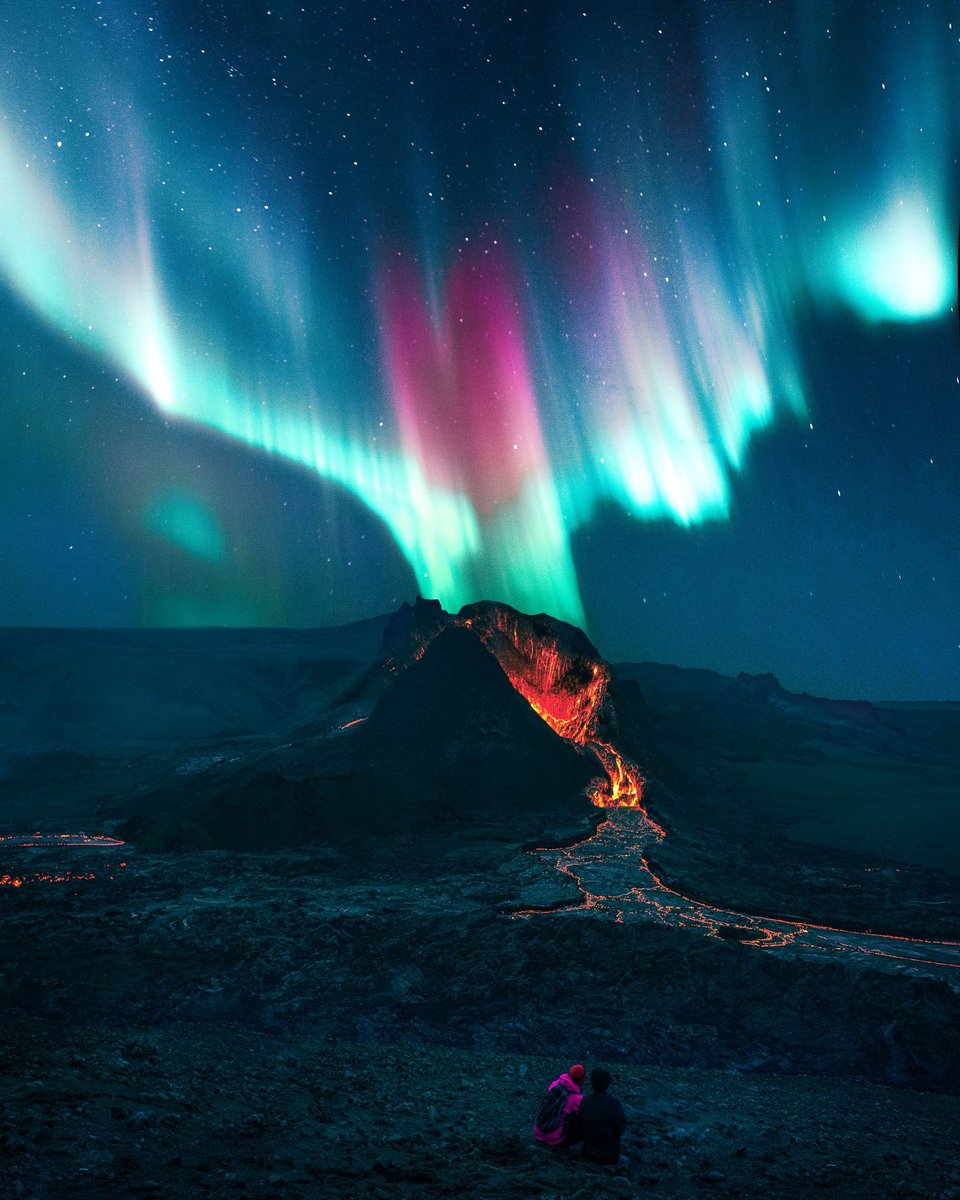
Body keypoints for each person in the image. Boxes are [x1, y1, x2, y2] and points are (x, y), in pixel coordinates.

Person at [579, 1067, 629, 1167]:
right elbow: (622, 1125)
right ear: (607, 1084)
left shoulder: (585, 1101)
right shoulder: (613, 1103)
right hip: (608, 1156)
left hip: (587, 1153)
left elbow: (580, 1124)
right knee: (627, 1162)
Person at [533, 1064, 585, 1148]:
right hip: (554, 1140)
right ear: (582, 1079)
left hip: (538, 1132)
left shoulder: (555, 1084)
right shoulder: (577, 1098)